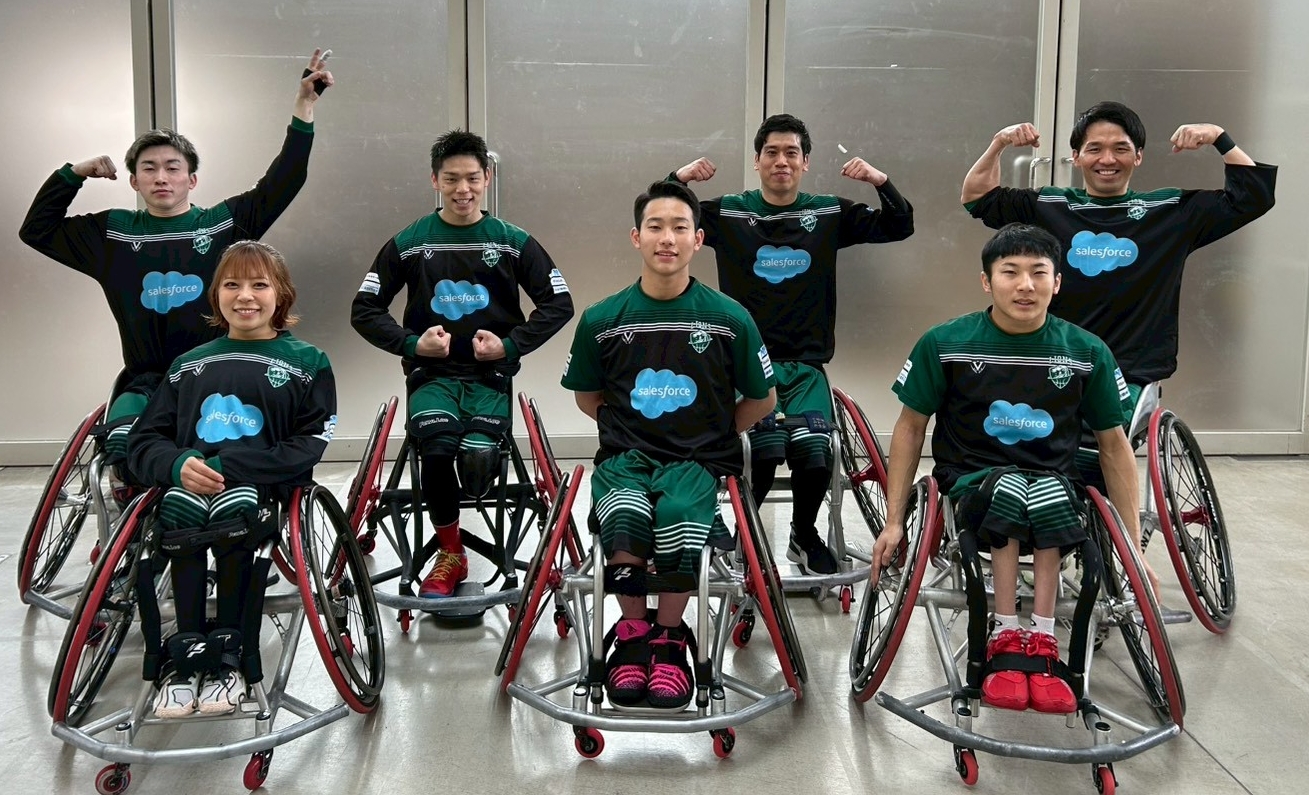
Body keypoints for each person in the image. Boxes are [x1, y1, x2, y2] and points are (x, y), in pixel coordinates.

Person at [959, 102, 1276, 576]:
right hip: (1049, 362)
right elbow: (976, 197)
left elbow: (1253, 196)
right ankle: (1011, 530)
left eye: (1121, 148)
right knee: (990, 435)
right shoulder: (1052, 206)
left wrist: (1219, 137)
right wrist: (999, 143)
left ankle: (1095, 548)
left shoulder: (1169, 211)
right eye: (1095, 149)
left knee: (1085, 449)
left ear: (1138, 157)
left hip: (1130, 369)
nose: (1107, 159)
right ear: (1076, 157)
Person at [871, 223, 1138, 714]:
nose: (1025, 285)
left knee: (1052, 494)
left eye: (1039, 272)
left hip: (1053, 482)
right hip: (971, 481)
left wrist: (1133, 549)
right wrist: (893, 521)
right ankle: (1005, 630)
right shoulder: (945, 342)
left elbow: (1114, 446)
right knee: (1012, 489)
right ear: (986, 281)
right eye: (1010, 272)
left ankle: (1043, 637)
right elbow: (909, 428)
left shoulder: (1086, 351)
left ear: (1058, 282)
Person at [19, 49, 334, 465]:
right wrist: (73, 174)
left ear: (192, 179)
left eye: (172, 167)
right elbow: (36, 230)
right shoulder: (112, 233)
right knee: (122, 448)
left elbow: (284, 181)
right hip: (146, 381)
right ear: (134, 181)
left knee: (211, 461)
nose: (161, 177)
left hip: (217, 374)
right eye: (149, 168)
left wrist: (304, 107)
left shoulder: (221, 224)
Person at [561, 180, 777, 710]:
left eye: (680, 227)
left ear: (698, 239)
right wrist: (630, 431)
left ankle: (669, 637)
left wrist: (716, 431)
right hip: (625, 459)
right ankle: (633, 634)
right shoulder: (602, 319)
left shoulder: (730, 318)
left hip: (696, 462)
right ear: (636, 237)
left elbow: (763, 398)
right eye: (655, 227)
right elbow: (588, 396)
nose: (667, 238)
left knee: (681, 516)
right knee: (625, 512)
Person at [669, 113, 913, 576]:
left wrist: (879, 181)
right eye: (772, 153)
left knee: (815, 452)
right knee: (762, 451)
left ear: (805, 163)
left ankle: (804, 535)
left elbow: (899, 225)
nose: (781, 161)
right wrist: (679, 179)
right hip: (745, 364)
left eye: (791, 153)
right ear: (757, 161)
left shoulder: (826, 213)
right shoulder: (729, 213)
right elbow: (666, 217)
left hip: (804, 366)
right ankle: (746, 538)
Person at [351, 129, 574, 598]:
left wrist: (509, 347)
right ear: (435, 180)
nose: (462, 189)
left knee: (477, 460)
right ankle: (451, 553)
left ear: (487, 177)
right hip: (431, 377)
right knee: (435, 451)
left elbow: (559, 303)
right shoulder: (410, 243)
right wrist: (412, 345)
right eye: (451, 179)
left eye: (472, 178)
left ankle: (466, 525)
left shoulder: (512, 241)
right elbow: (364, 309)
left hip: (490, 378)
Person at [127, 240, 337, 719]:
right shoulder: (188, 365)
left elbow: (310, 443)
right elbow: (144, 440)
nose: (245, 296)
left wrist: (233, 467)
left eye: (259, 284)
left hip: (258, 488)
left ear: (281, 295)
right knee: (178, 509)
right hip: (189, 485)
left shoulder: (308, 362)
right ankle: (184, 655)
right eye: (232, 284)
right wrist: (176, 464)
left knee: (234, 509)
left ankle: (230, 653)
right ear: (215, 295)